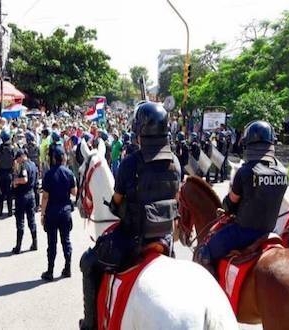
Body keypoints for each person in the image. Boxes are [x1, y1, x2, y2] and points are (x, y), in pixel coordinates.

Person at [79, 101, 181, 330]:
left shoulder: (130, 163)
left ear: (140, 131)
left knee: (88, 262)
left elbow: (117, 201)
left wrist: (119, 207)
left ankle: (90, 324)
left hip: (133, 238)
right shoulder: (174, 161)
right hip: (164, 238)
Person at [196, 121, 288, 273]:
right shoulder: (283, 171)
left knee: (204, 252)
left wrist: (225, 207)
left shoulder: (245, 171)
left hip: (243, 233)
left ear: (249, 144)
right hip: (270, 231)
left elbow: (231, 202)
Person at [41, 145, 77, 281]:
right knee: (66, 240)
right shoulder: (69, 173)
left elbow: (45, 197)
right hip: (65, 211)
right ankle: (67, 268)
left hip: (52, 212)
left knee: (52, 243)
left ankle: (50, 271)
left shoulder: (49, 174)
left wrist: (42, 214)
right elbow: (74, 192)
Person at [11, 149, 39, 254]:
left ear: (21, 157)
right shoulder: (33, 165)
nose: (17, 161)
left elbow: (24, 179)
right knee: (31, 220)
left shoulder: (24, 165)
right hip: (31, 195)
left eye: (17, 159)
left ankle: (18, 247)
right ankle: (35, 243)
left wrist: (15, 181)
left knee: (20, 222)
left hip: (22, 196)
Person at [0, 129, 15, 217]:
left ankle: (0, 211)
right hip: (10, 173)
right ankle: (10, 212)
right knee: (9, 194)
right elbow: (15, 162)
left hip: (1, 173)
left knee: (0, 193)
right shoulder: (12, 148)